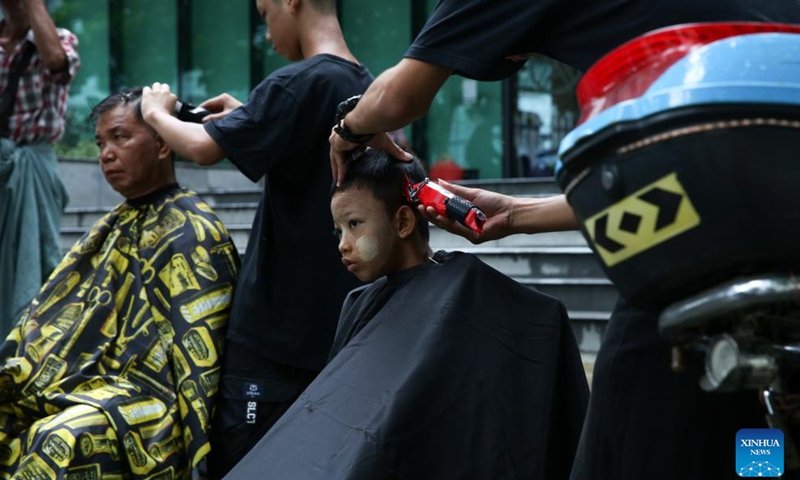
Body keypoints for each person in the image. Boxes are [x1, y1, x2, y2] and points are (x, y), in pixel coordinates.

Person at [326, 3, 800, 480]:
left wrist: (350, 127)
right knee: (759, 427)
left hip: (706, 237)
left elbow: (402, 96)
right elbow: (673, 191)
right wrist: (516, 214)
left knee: (624, 426)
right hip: (762, 205)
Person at [138, 0, 408, 477]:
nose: (266, 33)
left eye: (264, 14)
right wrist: (249, 117)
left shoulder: (296, 81)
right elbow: (304, 150)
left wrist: (155, 112)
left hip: (273, 338)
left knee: (249, 464)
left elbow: (201, 149)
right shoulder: (362, 86)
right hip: (334, 334)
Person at [223, 148, 589, 479]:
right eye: (337, 230)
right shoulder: (358, 303)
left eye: (354, 224)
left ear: (402, 222)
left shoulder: (466, 295)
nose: (342, 244)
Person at [0, 87, 239, 478]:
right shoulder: (108, 227)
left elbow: (199, 367)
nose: (105, 154)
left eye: (120, 137)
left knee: (61, 438)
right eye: (100, 143)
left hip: (153, 403)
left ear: (163, 144)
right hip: (87, 384)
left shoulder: (194, 230)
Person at [0, 0, 80, 338]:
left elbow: (57, 64)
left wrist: (33, 7)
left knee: (40, 260)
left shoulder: (60, 39)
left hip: (33, 163)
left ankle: (28, 347)